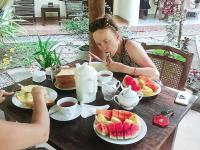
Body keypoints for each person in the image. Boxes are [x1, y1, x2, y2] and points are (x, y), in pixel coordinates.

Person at [89, 15, 160, 80]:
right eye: (99, 44)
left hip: (150, 89)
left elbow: (156, 74)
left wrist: (125, 69)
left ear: (117, 36)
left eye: (106, 41)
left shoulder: (130, 46)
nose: (103, 47)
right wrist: (100, 62)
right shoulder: (110, 49)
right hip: (129, 90)